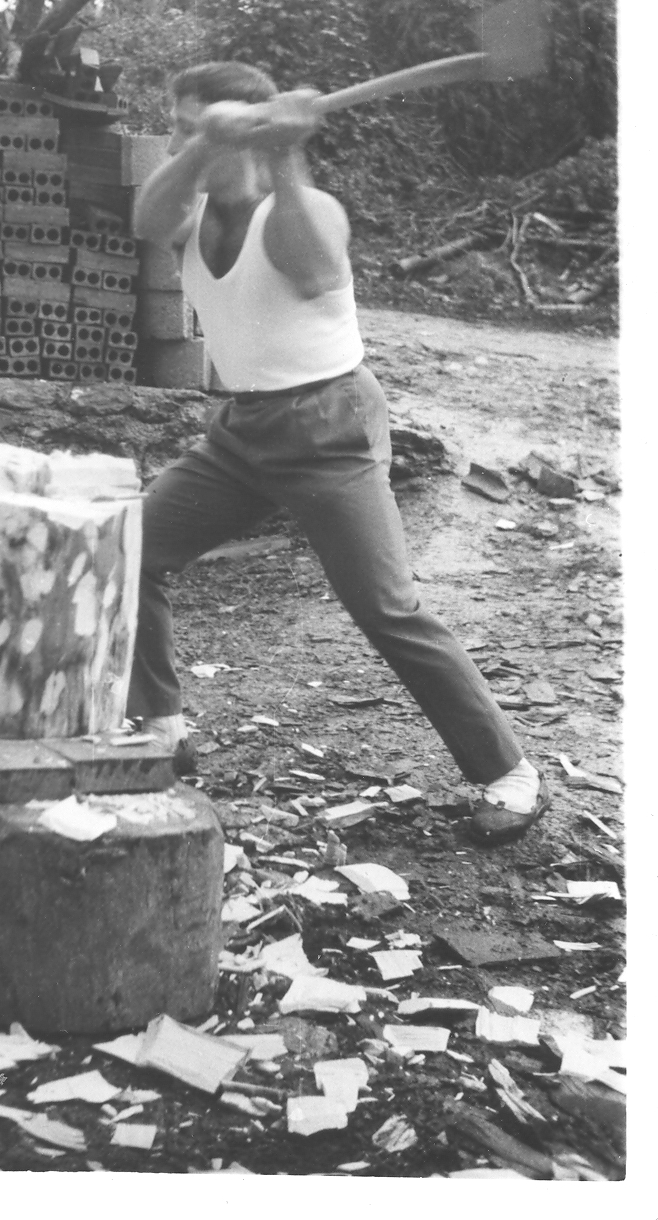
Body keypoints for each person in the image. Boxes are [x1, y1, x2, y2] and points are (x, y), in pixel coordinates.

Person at [125, 60, 549, 844]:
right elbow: (148, 219)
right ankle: (160, 724)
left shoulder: (306, 205)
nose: (179, 142)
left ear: (251, 133)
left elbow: (317, 271)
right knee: (131, 549)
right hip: (243, 429)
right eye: (177, 127)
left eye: (192, 127)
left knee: (385, 606)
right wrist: (204, 140)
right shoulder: (192, 209)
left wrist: (283, 150)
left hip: (329, 423)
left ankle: (510, 773)